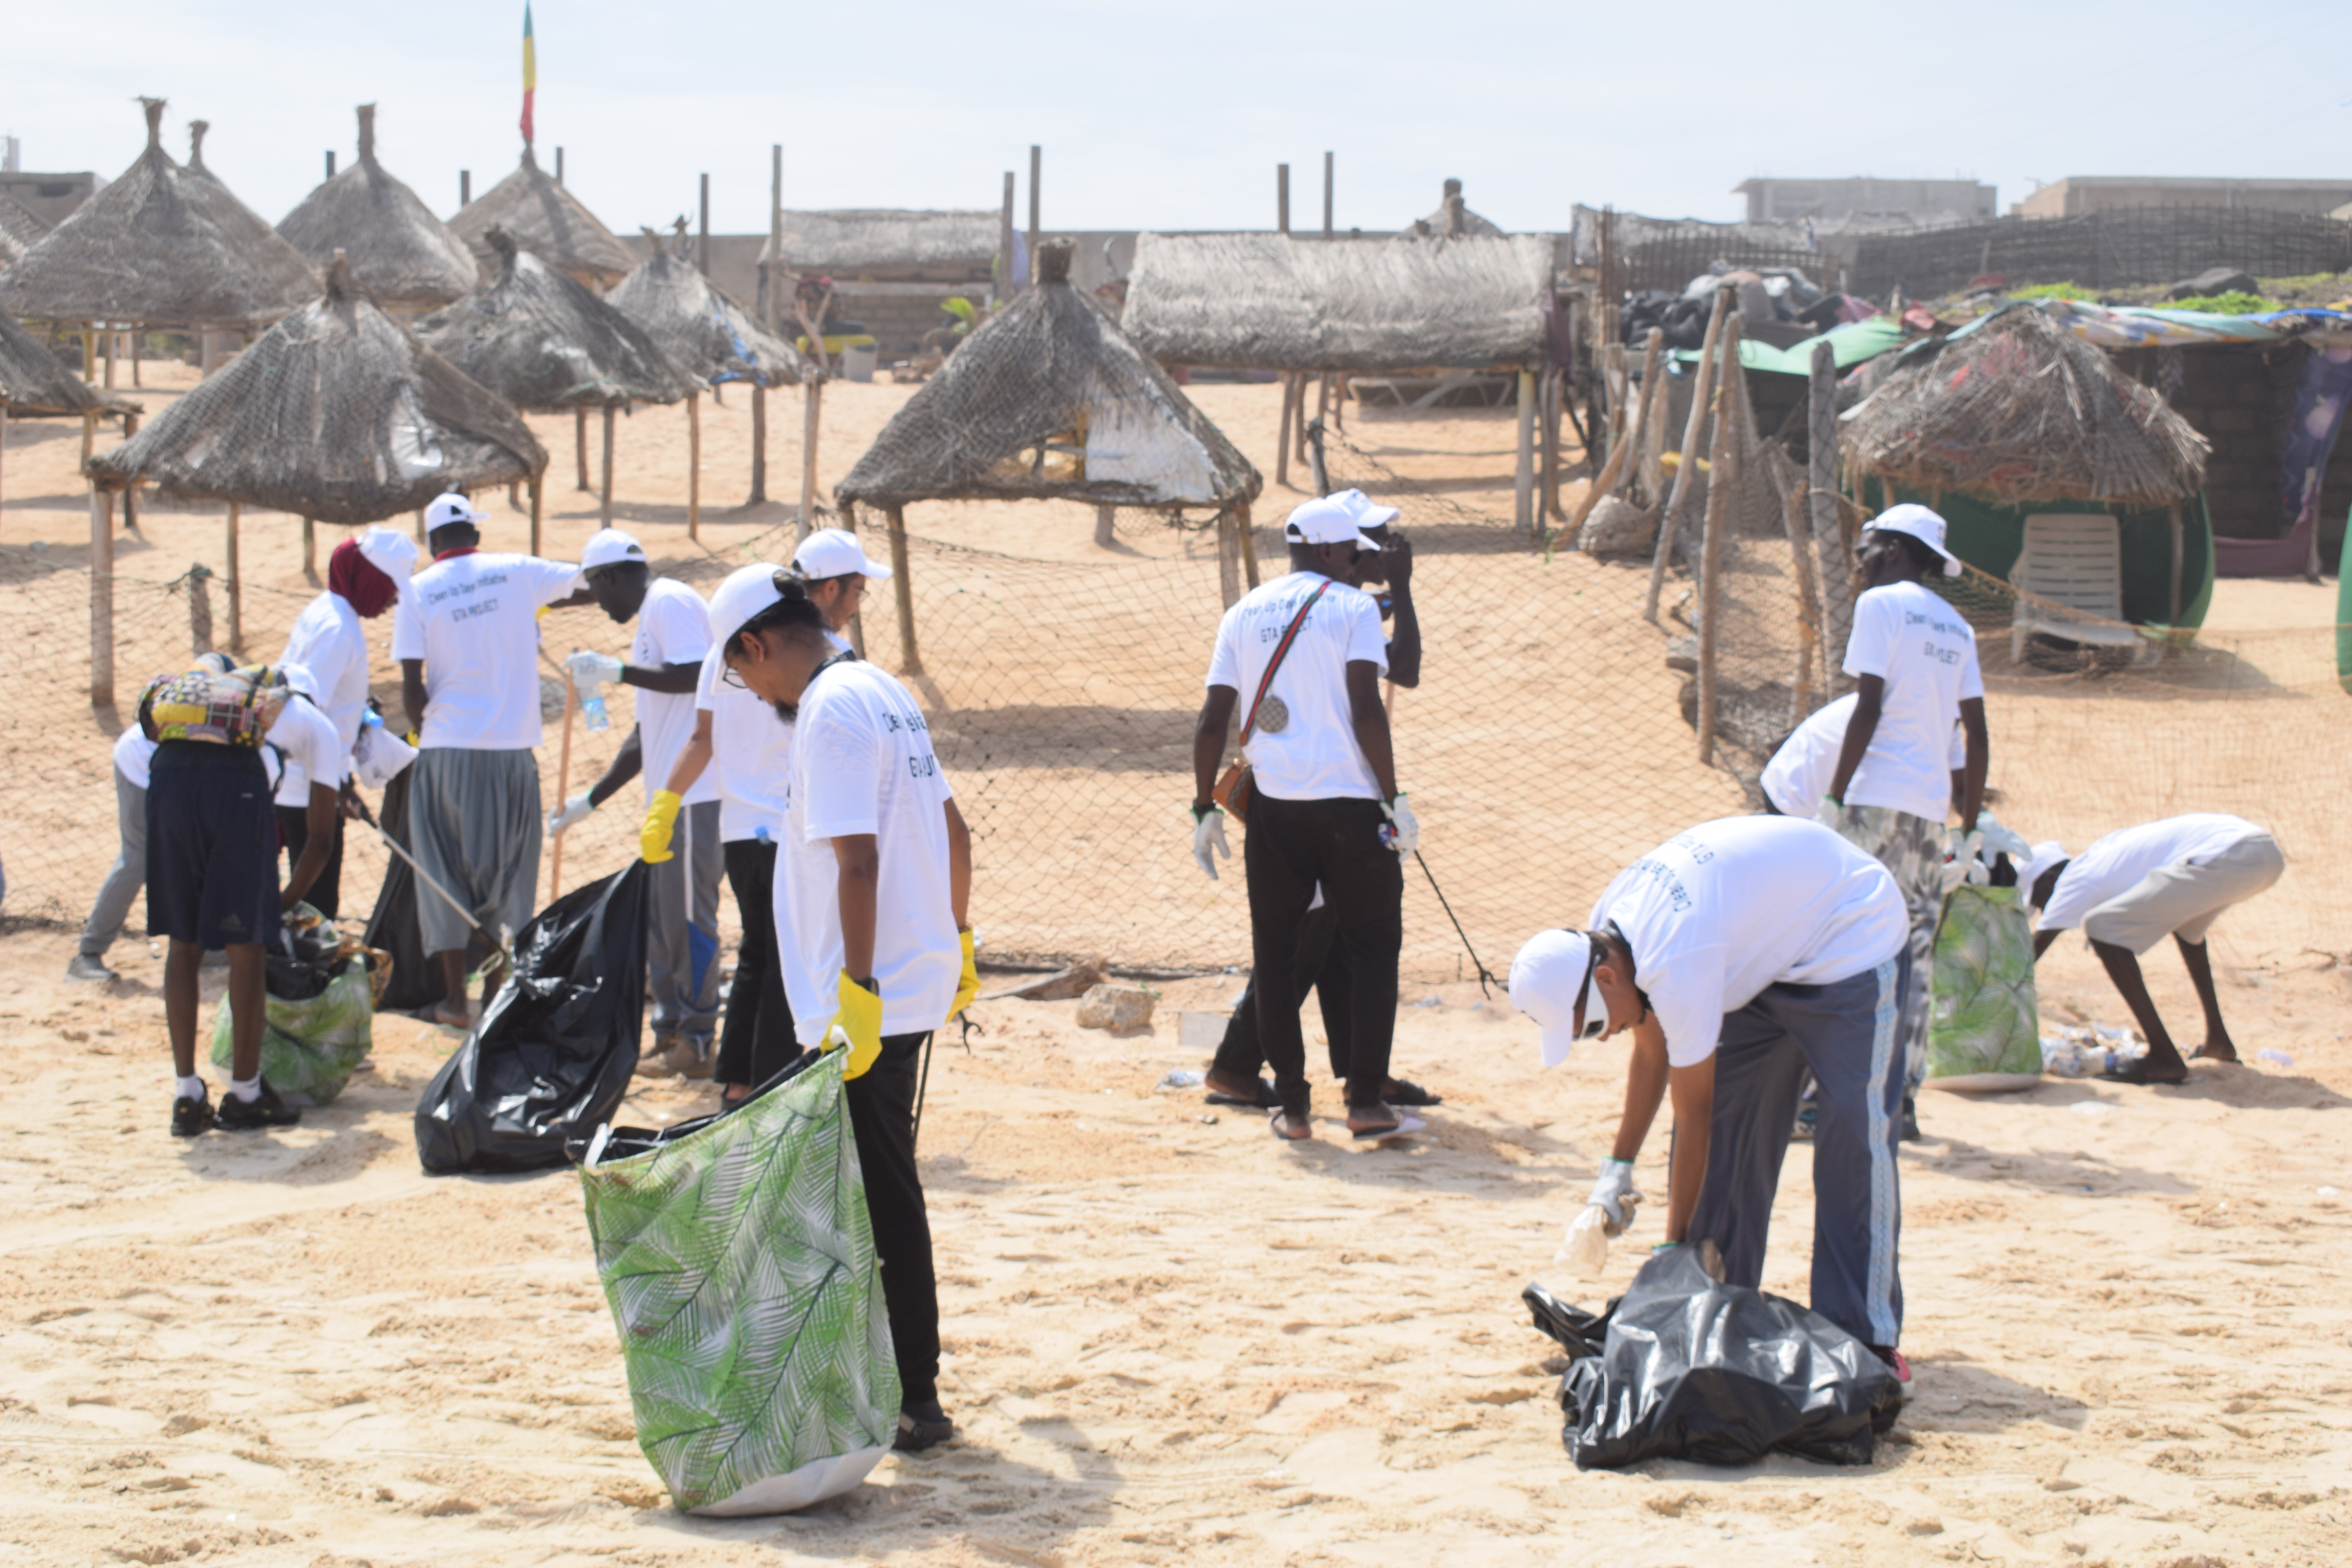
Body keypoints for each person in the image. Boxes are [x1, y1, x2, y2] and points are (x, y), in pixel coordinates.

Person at [715, 568, 978, 1454]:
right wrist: (959, 939)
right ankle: (891, 1382)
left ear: (757, 645)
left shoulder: (828, 711)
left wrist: (857, 994)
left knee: (879, 1192)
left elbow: (856, 862)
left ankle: (916, 1396)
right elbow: (957, 831)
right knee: (870, 1184)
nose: (754, 693)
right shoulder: (881, 687)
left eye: (743, 676)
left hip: (862, 1001)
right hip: (906, 977)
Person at [1508, 814, 1912, 1376]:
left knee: (1853, 1135)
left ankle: (1865, 1339)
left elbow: (1691, 1114)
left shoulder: (1678, 960)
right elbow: (1653, 1051)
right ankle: (1716, 1308)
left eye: (1592, 1025)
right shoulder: (1607, 936)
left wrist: (1672, 1251)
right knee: (1731, 1132)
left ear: (1605, 979)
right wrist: (1616, 1170)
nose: (1600, 1037)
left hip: (1849, 936)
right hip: (1763, 951)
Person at [1190, 494, 1417, 1142]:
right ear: (1328, 549)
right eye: (1356, 546)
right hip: (1350, 806)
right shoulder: (1353, 609)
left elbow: (1213, 719)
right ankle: (1365, 1102)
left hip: (1275, 809)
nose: (1362, 555)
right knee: (1374, 950)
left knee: (1276, 952)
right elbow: (1367, 708)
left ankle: (1292, 1109)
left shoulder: (1242, 613)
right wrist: (1394, 799)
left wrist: (1203, 806)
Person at [642, 535, 887, 1104]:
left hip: (739, 833)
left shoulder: (724, 648)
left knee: (757, 953)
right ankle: (769, 1093)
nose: (857, 603)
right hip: (793, 832)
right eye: (857, 591)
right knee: (790, 963)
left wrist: (665, 804)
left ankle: (737, 1082)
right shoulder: (832, 662)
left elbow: (701, 739)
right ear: (829, 589)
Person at [1813, 504, 1991, 1136]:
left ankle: (1827, 1097)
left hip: (1874, 804)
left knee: (1846, 943)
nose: (1858, 563)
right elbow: (1976, 736)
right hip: (1928, 815)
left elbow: (1868, 708)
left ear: (1893, 551)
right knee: (1914, 955)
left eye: (1865, 550)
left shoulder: (1880, 606)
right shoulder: (1958, 628)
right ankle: (1902, 1102)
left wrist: (1835, 799)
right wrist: (1968, 830)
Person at [392, 493, 589, 1028]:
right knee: (510, 873)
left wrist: (427, 728)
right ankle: (497, 996)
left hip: (445, 749)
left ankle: (455, 1001)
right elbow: (591, 581)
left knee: (441, 867)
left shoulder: (418, 590)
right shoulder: (517, 572)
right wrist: (533, 604)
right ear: (475, 535)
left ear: (433, 541)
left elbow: (412, 688)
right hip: (510, 751)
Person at [546, 530, 724, 1076]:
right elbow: (646, 736)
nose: (598, 603)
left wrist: (618, 672)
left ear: (610, 577)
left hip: (695, 795)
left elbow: (695, 676)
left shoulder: (669, 602)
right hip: (665, 802)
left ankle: (697, 1040)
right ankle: (670, 1033)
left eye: (597, 590)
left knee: (688, 919)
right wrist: (590, 800)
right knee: (660, 921)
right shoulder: (651, 621)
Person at [142, 656, 344, 1136]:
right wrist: (280, 904)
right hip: (235, 789)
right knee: (247, 945)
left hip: (166, 779)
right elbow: (320, 840)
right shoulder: (321, 729)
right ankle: (246, 1096)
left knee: (183, 943)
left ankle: (186, 1096)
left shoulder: (209, 704)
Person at [2022, 816, 2285, 1084]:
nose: (2043, 909)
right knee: (2188, 930)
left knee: (2101, 928)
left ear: (2048, 879)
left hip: (2233, 853)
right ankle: (2218, 1042)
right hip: (2260, 850)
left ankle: (2164, 1057)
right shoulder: (2100, 859)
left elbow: (2027, 958)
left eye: (2038, 901)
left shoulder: (2073, 880)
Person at [272, 527, 416, 918]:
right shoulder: (338, 631)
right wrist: (337, 788)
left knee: (312, 899)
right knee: (316, 906)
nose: (394, 600)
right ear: (371, 579)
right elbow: (306, 713)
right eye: (392, 588)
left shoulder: (328, 609)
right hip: (309, 785)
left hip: (310, 778)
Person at [66, 725, 161, 984]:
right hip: (143, 764)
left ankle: (208, 950)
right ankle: (89, 953)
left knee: (196, 854)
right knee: (138, 859)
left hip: (185, 769)